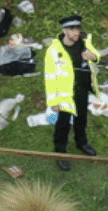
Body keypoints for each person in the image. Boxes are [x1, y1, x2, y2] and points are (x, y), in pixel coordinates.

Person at [44, 13, 101, 171]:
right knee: (63, 124)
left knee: (81, 118)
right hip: (65, 94)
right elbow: (50, 78)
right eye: (72, 29)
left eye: (78, 28)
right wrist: (54, 102)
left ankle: (81, 143)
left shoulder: (84, 42)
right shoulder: (54, 51)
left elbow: (98, 55)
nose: (76, 32)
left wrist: (94, 57)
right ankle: (60, 152)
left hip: (82, 89)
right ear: (64, 31)